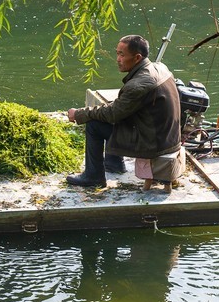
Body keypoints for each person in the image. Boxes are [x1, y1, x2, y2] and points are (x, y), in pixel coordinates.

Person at [65, 34, 181, 187]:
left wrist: (79, 114)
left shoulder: (138, 85)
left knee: (94, 124)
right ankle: (114, 164)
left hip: (154, 144)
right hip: (167, 138)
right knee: (114, 114)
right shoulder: (159, 67)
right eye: (117, 53)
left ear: (137, 57)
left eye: (122, 55)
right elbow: (119, 108)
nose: (117, 59)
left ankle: (93, 177)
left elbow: (112, 113)